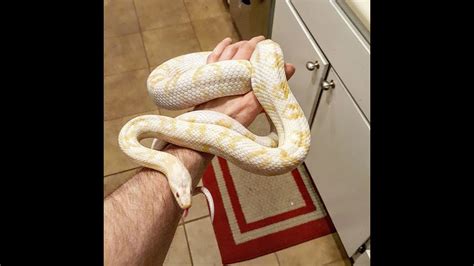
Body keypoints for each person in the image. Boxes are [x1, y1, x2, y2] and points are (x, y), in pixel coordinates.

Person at [104, 36, 296, 265]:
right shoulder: (130, 134)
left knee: (264, 51)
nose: (183, 200)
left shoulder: (132, 135)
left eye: (178, 194)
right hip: (249, 75)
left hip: (253, 70)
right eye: (178, 194)